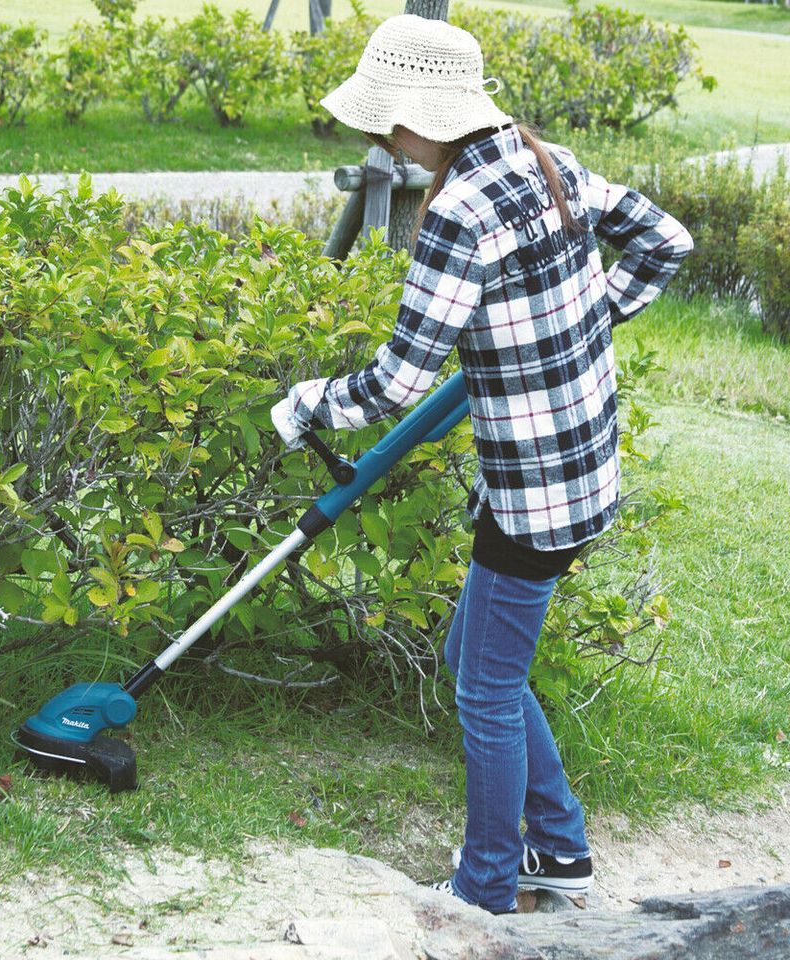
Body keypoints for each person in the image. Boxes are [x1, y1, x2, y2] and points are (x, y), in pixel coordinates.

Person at [270, 14, 692, 915]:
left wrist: (305, 404)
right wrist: (587, 323)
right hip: (583, 468)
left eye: (387, 121)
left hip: (535, 493)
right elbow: (667, 242)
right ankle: (563, 849)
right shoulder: (551, 160)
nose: (384, 138)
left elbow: (396, 383)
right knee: (476, 653)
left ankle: (487, 886)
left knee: (485, 690)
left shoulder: (458, 210)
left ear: (419, 117)